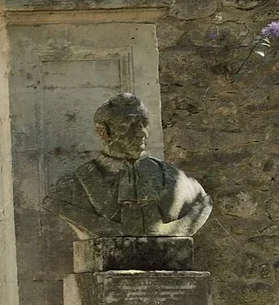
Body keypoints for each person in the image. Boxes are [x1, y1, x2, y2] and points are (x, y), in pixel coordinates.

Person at [44, 93, 211, 238]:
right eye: (128, 124)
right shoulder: (71, 187)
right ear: (104, 132)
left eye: (144, 123)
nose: (141, 133)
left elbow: (201, 207)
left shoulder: (187, 187)